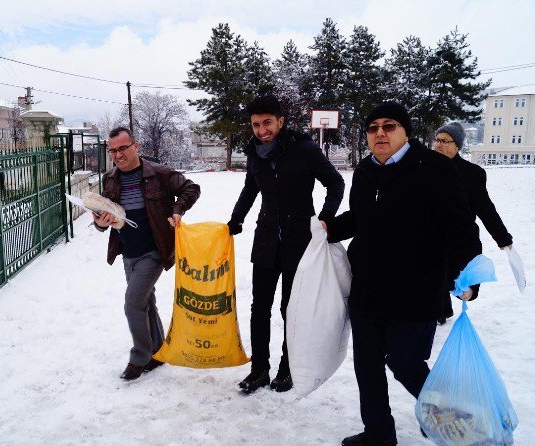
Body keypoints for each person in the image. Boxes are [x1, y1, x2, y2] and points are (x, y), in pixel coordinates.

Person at [322, 102, 482, 446]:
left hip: (416, 290)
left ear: (405, 132)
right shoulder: (365, 170)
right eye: (373, 128)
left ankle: (443, 414)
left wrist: (469, 273)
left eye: (389, 126)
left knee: (405, 362)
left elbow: (460, 226)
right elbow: (362, 216)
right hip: (367, 288)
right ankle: (378, 433)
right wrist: (327, 229)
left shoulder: (434, 168)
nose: (380, 133)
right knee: (367, 367)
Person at [228, 95, 345, 394]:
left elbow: (335, 182)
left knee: (290, 309)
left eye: (267, 122)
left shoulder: (304, 149)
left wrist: (326, 216)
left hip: (299, 242)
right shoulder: (254, 153)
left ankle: (287, 368)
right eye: (256, 124)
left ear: (281, 121)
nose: (262, 129)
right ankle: (259, 370)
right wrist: (236, 219)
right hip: (266, 239)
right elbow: (250, 189)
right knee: (259, 308)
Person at [93, 127, 200, 381]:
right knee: (145, 301)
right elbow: (100, 219)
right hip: (128, 252)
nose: (118, 155)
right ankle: (158, 348)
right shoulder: (110, 179)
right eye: (113, 151)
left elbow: (191, 188)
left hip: (154, 251)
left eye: (123, 148)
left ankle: (140, 357)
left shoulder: (158, 173)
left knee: (133, 303)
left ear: (135, 146)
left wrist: (177, 210)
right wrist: (101, 222)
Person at [433, 122, 513, 324]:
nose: (438, 145)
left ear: (457, 146)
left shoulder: (471, 173)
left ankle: (448, 303)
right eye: (437, 140)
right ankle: (440, 311)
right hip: (431, 234)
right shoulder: (426, 168)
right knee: (433, 271)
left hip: (460, 237)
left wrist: (503, 238)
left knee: (455, 272)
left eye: (444, 141)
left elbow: (485, 208)